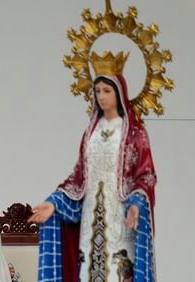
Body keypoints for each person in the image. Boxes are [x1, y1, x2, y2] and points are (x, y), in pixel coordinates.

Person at [29, 51, 157, 282]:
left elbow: (146, 175)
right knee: (89, 269)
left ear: (119, 93)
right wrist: (54, 202)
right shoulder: (91, 132)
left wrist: (137, 204)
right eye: (97, 91)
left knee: (119, 269)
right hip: (91, 214)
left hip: (120, 214)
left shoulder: (134, 133)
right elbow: (79, 176)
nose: (101, 96)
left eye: (107, 91)